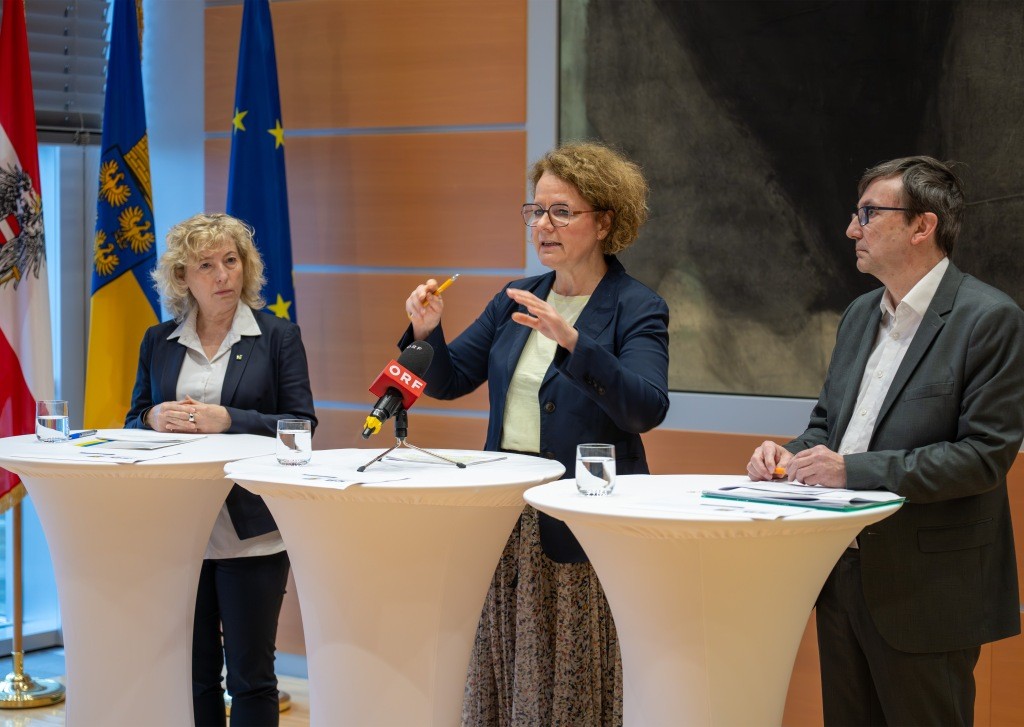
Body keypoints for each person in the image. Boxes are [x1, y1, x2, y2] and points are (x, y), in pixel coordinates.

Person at [746, 156, 1024, 726]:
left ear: (922, 226)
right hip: (842, 571)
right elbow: (829, 425)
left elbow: (982, 458)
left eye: (869, 213)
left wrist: (852, 471)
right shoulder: (857, 316)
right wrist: (789, 453)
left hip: (929, 590)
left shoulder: (989, 319)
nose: (853, 229)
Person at [401, 141, 669, 725]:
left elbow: (645, 408)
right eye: (535, 211)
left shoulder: (636, 307)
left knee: (571, 681)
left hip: (584, 519)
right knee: (510, 671)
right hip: (508, 513)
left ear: (604, 221)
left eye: (561, 212)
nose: (543, 225)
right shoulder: (517, 296)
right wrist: (426, 334)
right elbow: (451, 380)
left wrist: (574, 342)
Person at [125, 213, 317, 726]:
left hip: (250, 531)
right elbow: (131, 418)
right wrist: (151, 416)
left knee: (251, 678)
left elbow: (302, 426)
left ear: (246, 267)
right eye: (206, 265)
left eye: (231, 261)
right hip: (181, 530)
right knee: (194, 673)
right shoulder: (158, 341)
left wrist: (230, 419)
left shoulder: (277, 337)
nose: (222, 276)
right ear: (183, 277)